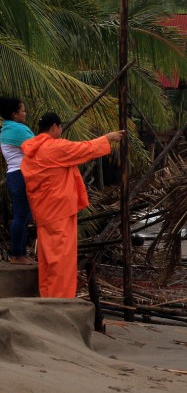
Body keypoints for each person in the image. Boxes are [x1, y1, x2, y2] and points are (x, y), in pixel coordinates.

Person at [21, 112, 124, 298]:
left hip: (44, 212)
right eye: (60, 128)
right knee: (61, 260)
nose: (61, 132)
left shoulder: (31, 151)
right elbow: (83, 149)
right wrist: (107, 138)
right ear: (54, 127)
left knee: (48, 259)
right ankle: (60, 300)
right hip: (58, 211)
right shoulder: (53, 148)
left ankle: (48, 296)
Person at [0, 97, 36, 265]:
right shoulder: (17, 130)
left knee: (25, 215)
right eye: (22, 110)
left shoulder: (9, 129)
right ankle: (17, 254)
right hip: (19, 175)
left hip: (17, 175)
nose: (25, 113)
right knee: (21, 216)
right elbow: (38, 148)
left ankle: (21, 253)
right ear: (14, 114)